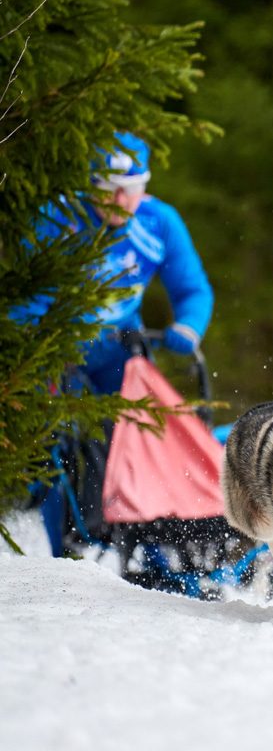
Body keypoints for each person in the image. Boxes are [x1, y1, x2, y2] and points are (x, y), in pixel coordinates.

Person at [16, 131, 214, 553]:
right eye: (112, 191)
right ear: (92, 187)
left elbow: (193, 289)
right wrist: (37, 337)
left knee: (138, 436)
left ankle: (141, 543)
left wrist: (187, 329)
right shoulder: (58, 218)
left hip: (119, 350)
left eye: (134, 190)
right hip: (55, 353)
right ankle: (57, 547)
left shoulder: (159, 221)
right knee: (54, 447)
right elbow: (21, 296)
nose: (123, 201)